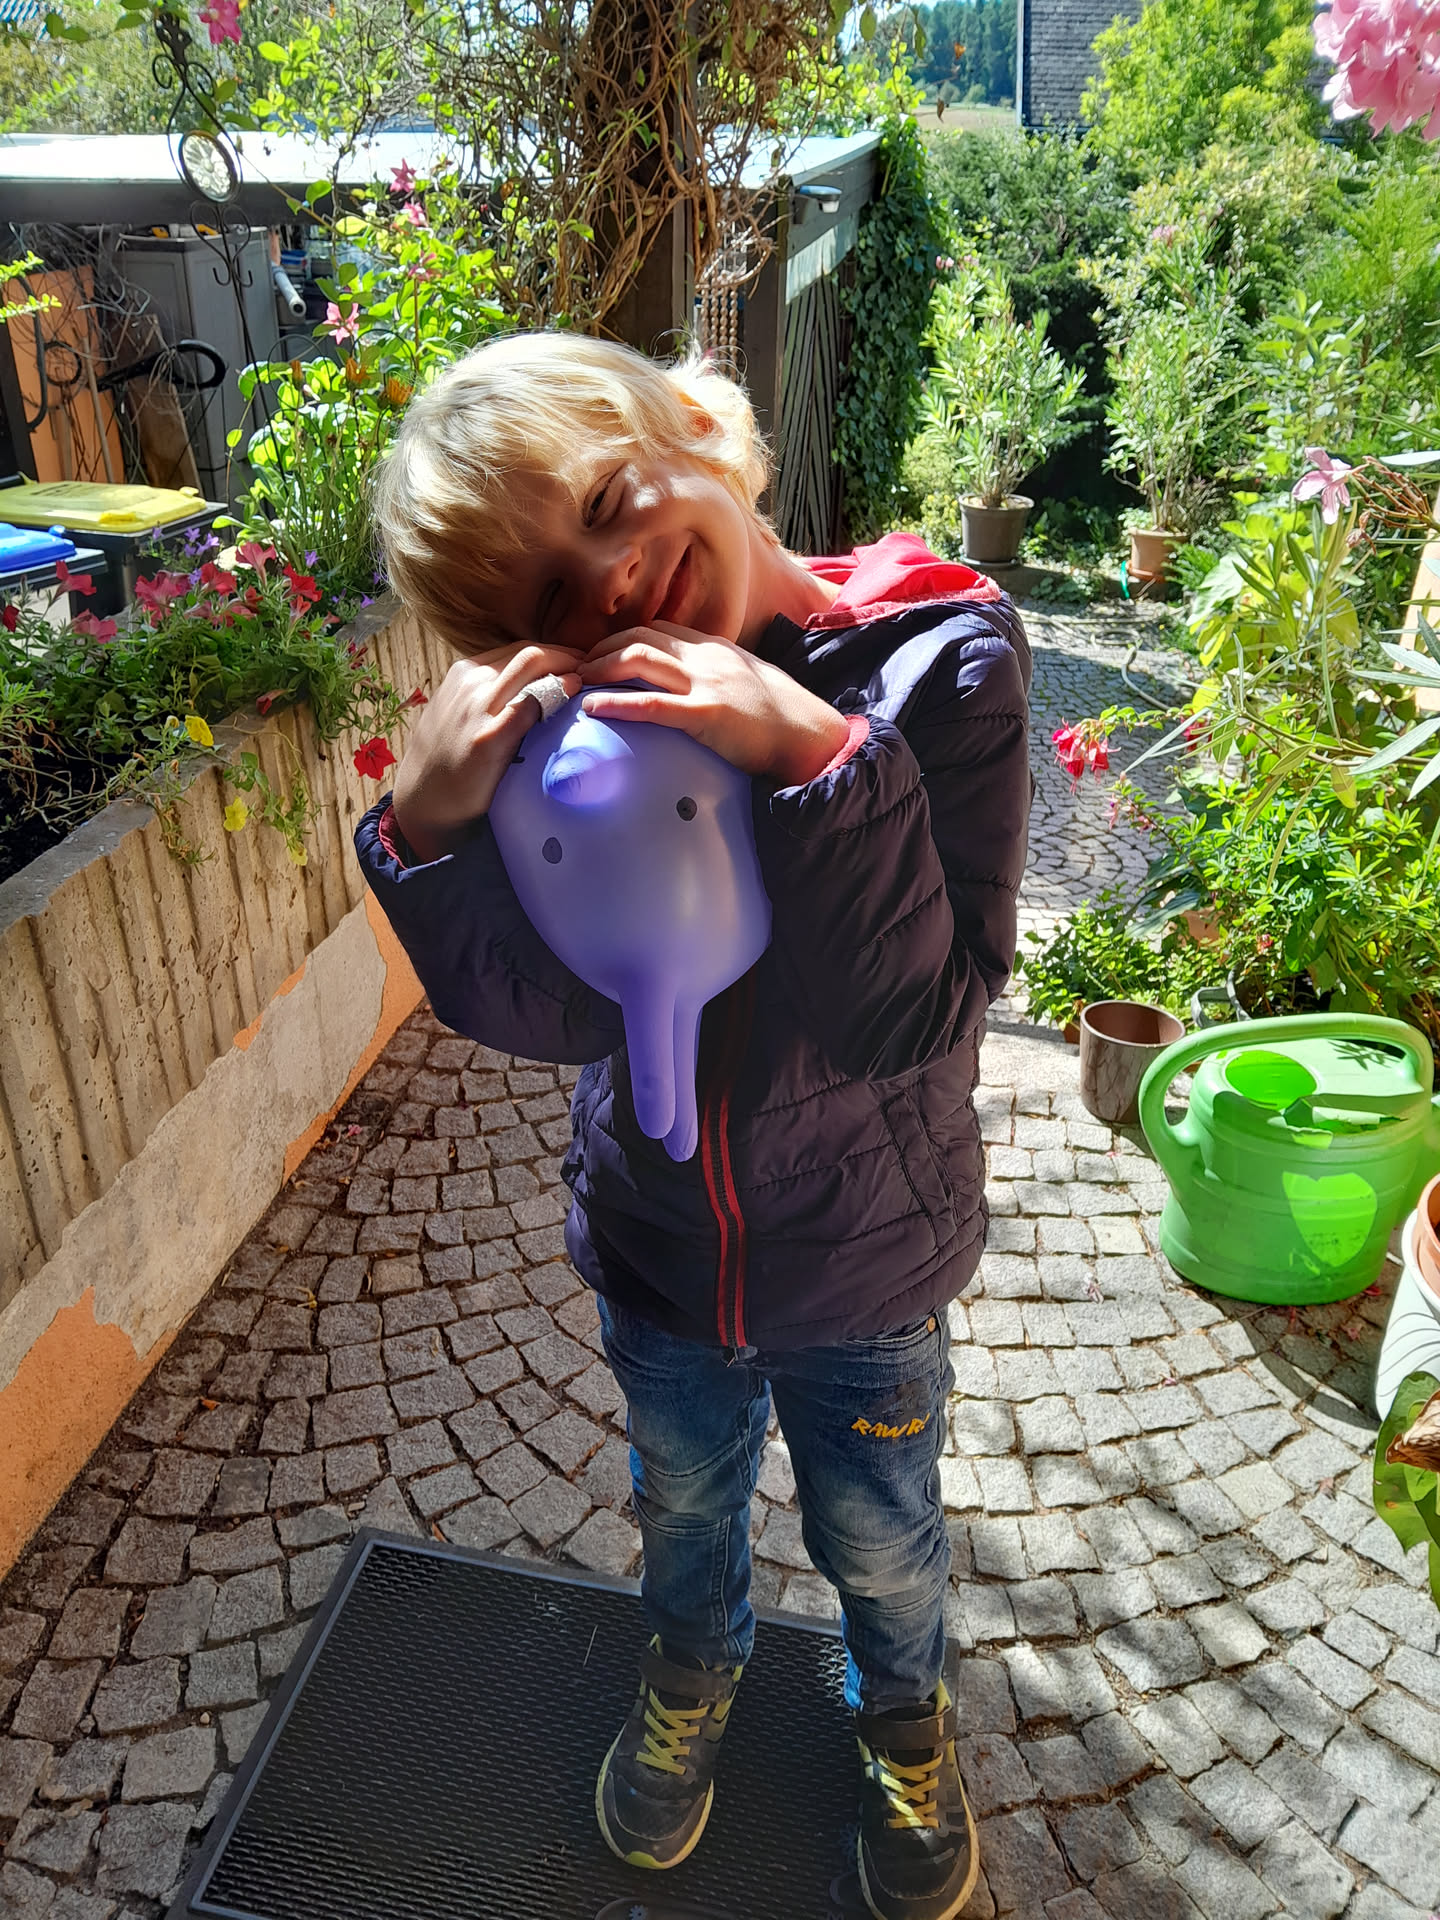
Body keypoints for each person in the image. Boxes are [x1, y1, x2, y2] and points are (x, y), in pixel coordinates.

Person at [355, 331, 1031, 1920]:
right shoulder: (573, 735)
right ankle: (691, 1671)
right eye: (545, 599)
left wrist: (813, 757)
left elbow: (916, 1012)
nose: (606, 583)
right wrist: (425, 828)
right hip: (660, 1253)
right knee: (681, 1507)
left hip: (865, 1263)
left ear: (693, 430)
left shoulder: (942, 661)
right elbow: (554, 1009)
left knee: (883, 1540)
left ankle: (904, 1720)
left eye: (606, 501)